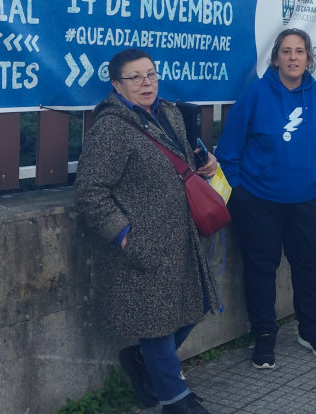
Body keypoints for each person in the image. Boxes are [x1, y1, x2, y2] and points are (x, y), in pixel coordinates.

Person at [74, 48, 220, 414]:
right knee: (156, 324)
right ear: (116, 85)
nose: (146, 83)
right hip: (142, 244)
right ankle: (176, 400)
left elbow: (182, 162)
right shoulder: (110, 129)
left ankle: (140, 361)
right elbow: (90, 193)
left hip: (181, 237)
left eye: (151, 74)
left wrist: (204, 166)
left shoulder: (168, 113)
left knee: (194, 306)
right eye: (135, 77)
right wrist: (126, 237)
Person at [219, 28, 316, 369]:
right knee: (261, 270)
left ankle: (310, 329)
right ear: (275, 58)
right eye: (286, 51)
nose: (292, 58)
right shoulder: (256, 94)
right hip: (259, 201)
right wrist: (240, 193)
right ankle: (263, 335)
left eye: (299, 51)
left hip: (307, 200)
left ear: (308, 58)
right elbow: (229, 152)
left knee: (307, 266)